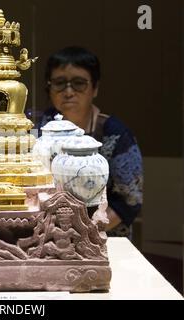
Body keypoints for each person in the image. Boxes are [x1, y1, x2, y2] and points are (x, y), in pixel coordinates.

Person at [39, 46, 143, 237]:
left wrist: (83, 234)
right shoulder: (39, 127)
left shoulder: (116, 133)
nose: (68, 92)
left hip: (103, 237)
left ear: (95, 88)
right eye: (59, 83)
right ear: (49, 87)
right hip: (48, 235)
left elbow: (128, 202)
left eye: (79, 83)